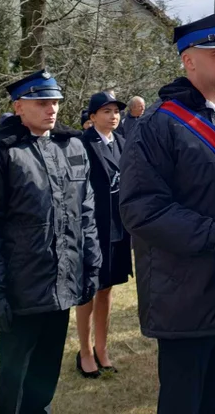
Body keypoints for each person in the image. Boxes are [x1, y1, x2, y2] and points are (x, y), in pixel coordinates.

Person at [119, 13, 215, 414]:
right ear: (188, 60)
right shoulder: (158, 125)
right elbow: (142, 209)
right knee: (184, 403)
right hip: (184, 293)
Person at [0, 70, 100, 413]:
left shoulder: (71, 145)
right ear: (19, 107)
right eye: (42, 102)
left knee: (46, 370)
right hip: (20, 288)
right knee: (15, 374)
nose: (51, 109)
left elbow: (86, 213)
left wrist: (91, 266)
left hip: (63, 283)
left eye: (55, 101)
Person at [76, 91, 133, 378]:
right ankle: (84, 352)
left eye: (116, 111)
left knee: (107, 288)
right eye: (106, 111)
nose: (113, 116)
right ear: (93, 115)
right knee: (88, 289)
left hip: (117, 227)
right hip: (92, 227)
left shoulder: (122, 142)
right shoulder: (83, 143)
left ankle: (102, 347)